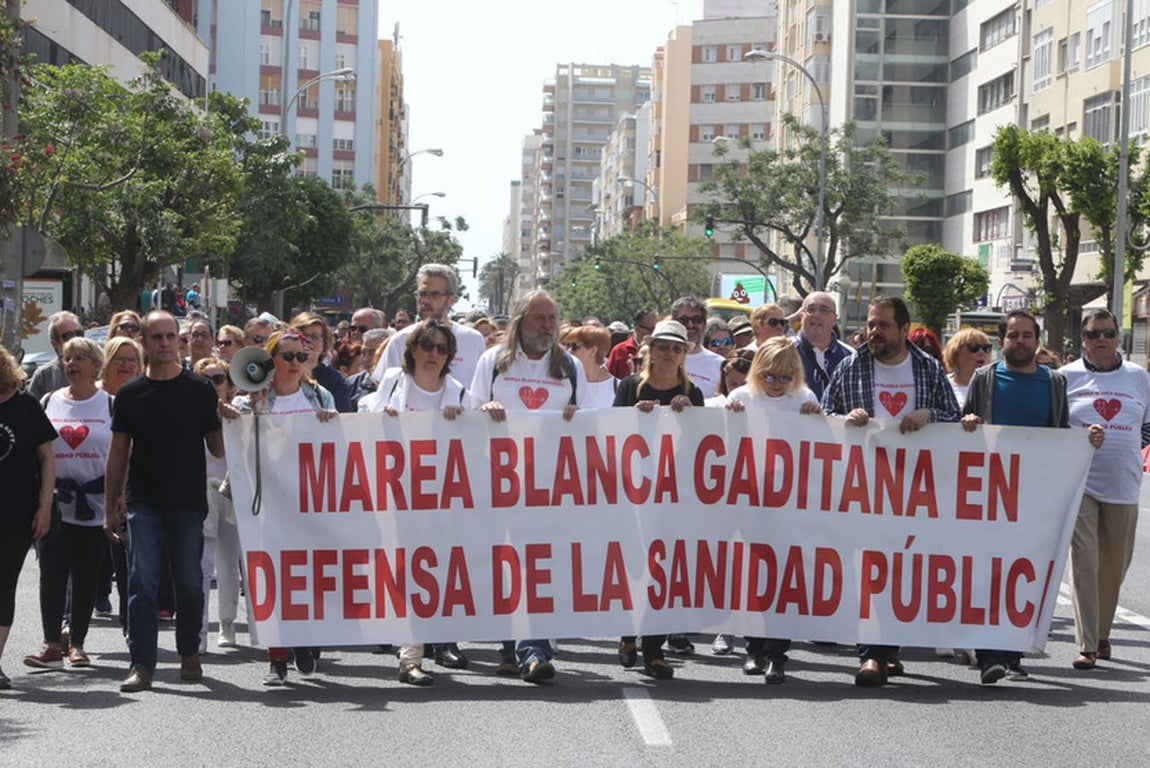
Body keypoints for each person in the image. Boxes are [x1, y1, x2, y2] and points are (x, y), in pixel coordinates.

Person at [822, 296, 960, 686]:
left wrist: (929, 415)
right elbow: (822, 419)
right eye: (870, 324)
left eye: (883, 325)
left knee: (903, 573)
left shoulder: (928, 369)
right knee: (870, 570)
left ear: (903, 328)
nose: (873, 332)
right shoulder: (850, 367)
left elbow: (955, 419)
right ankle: (872, 656)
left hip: (916, 491)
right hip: (864, 487)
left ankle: (889, 649)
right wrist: (845, 420)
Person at [961, 309, 1104, 684]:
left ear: (1037, 340)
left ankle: (1012, 653)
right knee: (990, 572)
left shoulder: (1054, 383)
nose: (1020, 341)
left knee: (1024, 577)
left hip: (1035, 497)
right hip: (990, 495)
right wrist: (970, 423)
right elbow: (961, 428)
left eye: (1026, 335)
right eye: (1013, 335)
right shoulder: (985, 378)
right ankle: (990, 652)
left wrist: (1085, 439)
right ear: (1002, 340)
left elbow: (1060, 434)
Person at [104, 310, 225, 693]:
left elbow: (218, 446)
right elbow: (118, 450)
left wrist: (236, 417)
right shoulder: (130, 393)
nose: (166, 343)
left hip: (189, 502)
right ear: (145, 341)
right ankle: (142, 663)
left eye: (172, 336)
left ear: (181, 340)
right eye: (157, 337)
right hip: (144, 502)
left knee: (190, 582)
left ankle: (189, 651)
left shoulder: (199, 389)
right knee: (142, 582)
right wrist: (111, 504)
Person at [470, 290, 586, 683]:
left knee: (538, 566)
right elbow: (468, 415)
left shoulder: (568, 366)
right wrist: (483, 410)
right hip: (500, 483)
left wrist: (577, 417)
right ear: (520, 321)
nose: (547, 326)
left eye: (552, 318)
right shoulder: (493, 362)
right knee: (506, 564)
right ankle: (512, 647)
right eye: (539, 318)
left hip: (549, 487)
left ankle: (532, 650)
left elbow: (588, 424)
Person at [360, 320, 468, 685]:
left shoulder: (459, 393)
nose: (434, 354)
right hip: (394, 496)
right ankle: (410, 658)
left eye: (442, 349)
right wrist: (382, 417)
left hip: (441, 501)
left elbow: (478, 444)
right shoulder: (391, 382)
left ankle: (436, 641)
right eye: (428, 346)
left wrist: (466, 421)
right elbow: (359, 424)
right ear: (412, 351)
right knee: (406, 572)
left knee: (436, 574)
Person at [231, 330, 337, 685]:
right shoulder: (251, 399)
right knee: (271, 575)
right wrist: (246, 415)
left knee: (307, 574)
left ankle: (305, 640)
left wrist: (332, 423)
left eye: (301, 357)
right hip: (267, 502)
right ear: (270, 360)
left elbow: (338, 446)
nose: (295, 364)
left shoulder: (320, 396)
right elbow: (239, 446)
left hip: (309, 501)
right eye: (287, 356)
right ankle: (277, 655)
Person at [725, 337, 823, 684]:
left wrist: (818, 419)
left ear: (794, 375)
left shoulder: (805, 399)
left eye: (784, 377)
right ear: (757, 372)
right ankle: (753, 649)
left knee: (783, 580)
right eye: (769, 376)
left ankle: (777, 654)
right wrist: (728, 420)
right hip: (749, 502)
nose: (776, 384)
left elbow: (820, 448)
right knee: (754, 577)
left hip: (789, 504)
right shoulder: (739, 398)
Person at [613, 320, 704, 680]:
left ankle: (654, 649)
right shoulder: (630, 386)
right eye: (663, 346)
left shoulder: (692, 392)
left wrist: (688, 417)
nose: (669, 353)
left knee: (661, 570)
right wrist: (636, 417)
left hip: (672, 498)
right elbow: (610, 432)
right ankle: (626, 634)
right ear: (650, 348)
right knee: (633, 566)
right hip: (632, 494)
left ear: (685, 354)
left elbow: (701, 445)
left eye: (676, 348)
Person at [1061, 309, 1150, 670]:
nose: (1101, 340)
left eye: (1108, 333)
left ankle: (1102, 634)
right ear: (1082, 339)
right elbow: (1054, 425)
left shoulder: (1139, 377)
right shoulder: (1065, 377)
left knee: (1114, 566)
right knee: (1084, 562)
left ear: (1118, 338)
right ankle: (1087, 645)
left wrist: (1124, 444)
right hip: (1079, 482)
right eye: (1094, 333)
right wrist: (1080, 439)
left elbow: (1148, 425)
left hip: (1124, 484)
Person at [23, 338, 113, 671]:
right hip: (55, 504)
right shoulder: (48, 401)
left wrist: (117, 499)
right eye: (66, 358)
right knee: (52, 574)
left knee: (86, 575)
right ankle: (50, 644)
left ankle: (77, 643)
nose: (71, 364)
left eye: (79, 358)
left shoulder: (111, 404)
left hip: (95, 502)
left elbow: (123, 455)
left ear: (95, 366)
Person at [0, 345, 57, 690]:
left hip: (16, 513)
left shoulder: (25, 406)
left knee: (3, 584)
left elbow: (48, 457)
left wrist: (45, 506)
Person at [192, 357, 243, 653]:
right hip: (202, 493)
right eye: (208, 379)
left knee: (229, 563)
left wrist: (234, 419)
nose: (215, 384)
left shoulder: (239, 412)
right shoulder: (191, 414)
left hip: (232, 492)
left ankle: (228, 623)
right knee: (202, 564)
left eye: (219, 378)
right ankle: (198, 632)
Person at [374, 264, 487, 390]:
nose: (425, 301)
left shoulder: (473, 340)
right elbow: (383, 387)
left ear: (451, 300)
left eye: (435, 295)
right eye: (422, 294)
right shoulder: (400, 340)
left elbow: (482, 391)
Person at [96, 337, 145, 627]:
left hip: (127, 492)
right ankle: (70, 628)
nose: (126, 365)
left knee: (127, 563)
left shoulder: (141, 397)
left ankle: (131, 626)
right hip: (85, 494)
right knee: (82, 565)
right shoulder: (93, 397)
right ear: (106, 362)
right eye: (119, 358)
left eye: (132, 360)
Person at [794, 293, 854, 402]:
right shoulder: (784, 351)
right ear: (801, 316)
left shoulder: (850, 357)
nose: (816, 315)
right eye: (811, 309)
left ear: (834, 319)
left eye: (824, 310)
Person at [291, 312, 354, 413]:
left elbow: (344, 417)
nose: (308, 341)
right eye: (302, 335)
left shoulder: (334, 379)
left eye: (315, 337)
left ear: (324, 344)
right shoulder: (283, 373)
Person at [671, 296, 725, 396]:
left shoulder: (719, 364)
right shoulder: (661, 358)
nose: (690, 325)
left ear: (704, 324)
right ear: (674, 323)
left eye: (697, 320)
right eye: (683, 320)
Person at [28, 311, 83, 400]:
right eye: (68, 335)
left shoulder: (95, 369)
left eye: (79, 333)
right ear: (54, 343)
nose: (75, 339)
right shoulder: (44, 375)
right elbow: (30, 411)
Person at [561, 324, 617, 409]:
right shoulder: (563, 383)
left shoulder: (618, 387)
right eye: (567, 346)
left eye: (574, 347)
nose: (568, 351)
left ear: (593, 351)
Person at [941, 328, 992, 407]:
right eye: (974, 347)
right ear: (955, 354)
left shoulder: (995, 386)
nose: (981, 352)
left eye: (986, 348)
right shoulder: (942, 386)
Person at [606, 309, 658, 380]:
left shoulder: (662, 351)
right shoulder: (619, 350)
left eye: (657, 329)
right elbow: (609, 379)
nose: (655, 333)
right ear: (637, 329)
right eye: (651, 329)